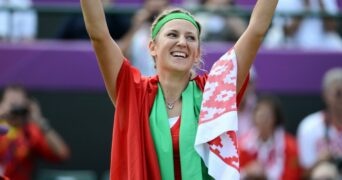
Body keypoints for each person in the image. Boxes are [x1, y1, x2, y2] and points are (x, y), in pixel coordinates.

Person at [80, 0, 278, 178]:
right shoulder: (133, 91)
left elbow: (256, 31)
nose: (182, 42)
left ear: (197, 52)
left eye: (191, 38)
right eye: (172, 35)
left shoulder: (214, 92)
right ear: (152, 47)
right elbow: (99, 36)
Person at [0, 85, 70, 180]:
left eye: (19, 104)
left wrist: (40, 121)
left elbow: (62, 154)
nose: (15, 109)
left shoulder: (31, 131)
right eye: (12, 104)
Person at [239, 94, 302, 180]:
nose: (263, 119)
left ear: (276, 118)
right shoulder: (243, 144)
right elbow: (233, 174)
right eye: (260, 115)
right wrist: (247, 171)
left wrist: (265, 175)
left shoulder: (290, 146)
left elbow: (294, 175)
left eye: (267, 115)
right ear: (254, 117)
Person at [297, 67, 342, 177]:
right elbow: (303, 174)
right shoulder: (309, 126)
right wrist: (319, 161)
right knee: (323, 172)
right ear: (325, 95)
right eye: (338, 93)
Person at [118, 0, 170, 76]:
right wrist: (135, 26)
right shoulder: (137, 31)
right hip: (140, 83)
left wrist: (169, 22)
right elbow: (119, 55)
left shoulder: (171, 30)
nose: (155, 3)